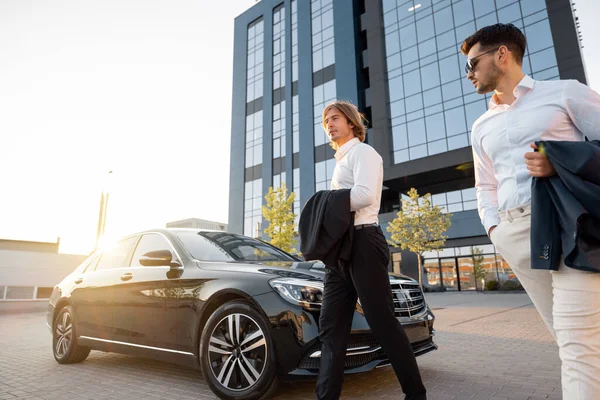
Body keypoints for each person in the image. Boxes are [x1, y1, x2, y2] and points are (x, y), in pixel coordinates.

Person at [462, 23, 600, 398]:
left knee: (577, 344)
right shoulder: (480, 126)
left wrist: (560, 161)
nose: (469, 74)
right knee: (570, 340)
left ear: (502, 54)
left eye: (473, 64)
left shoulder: (564, 93)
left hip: (566, 224)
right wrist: (494, 229)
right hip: (515, 234)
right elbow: (485, 184)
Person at [314, 100, 427, 400]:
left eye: (334, 118)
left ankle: (416, 395)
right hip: (341, 251)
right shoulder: (340, 161)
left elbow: (364, 196)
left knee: (383, 323)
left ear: (351, 122)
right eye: (326, 121)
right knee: (331, 328)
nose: (329, 124)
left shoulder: (365, 153)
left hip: (364, 243)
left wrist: (324, 205)